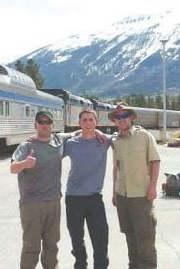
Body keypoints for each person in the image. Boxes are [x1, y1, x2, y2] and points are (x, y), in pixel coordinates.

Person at [10, 110, 72, 269]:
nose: (44, 125)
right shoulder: (26, 145)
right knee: (31, 246)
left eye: (48, 122)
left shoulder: (59, 140)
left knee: (52, 244)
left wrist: (100, 132)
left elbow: (82, 131)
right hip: (31, 204)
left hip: (53, 202)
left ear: (53, 125)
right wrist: (24, 163)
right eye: (41, 122)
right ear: (35, 124)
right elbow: (13, 168)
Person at [108, 102, 160, 269]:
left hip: (141, 195)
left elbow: (155, 162)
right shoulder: (116, 140)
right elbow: (116, 167)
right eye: (118, 117)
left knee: (145, 238)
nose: (121, 119)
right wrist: (115, 192)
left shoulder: (144, 136)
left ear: (130, 117)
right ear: (114, 121)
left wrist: (152, 187)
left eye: (124, 116)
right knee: (130, 236)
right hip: (123, 196)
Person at [63, 109, 112, 269]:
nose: (88, 123)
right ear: (79, 123)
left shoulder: (105, 141)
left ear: (96, 122)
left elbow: (124, 136)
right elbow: (52, 145)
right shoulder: (71, 144)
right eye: (84, 120)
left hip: (94, 199)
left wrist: (98, 132)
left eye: (91, 120)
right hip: (73, 198)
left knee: (100, 239)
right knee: (77, 240)